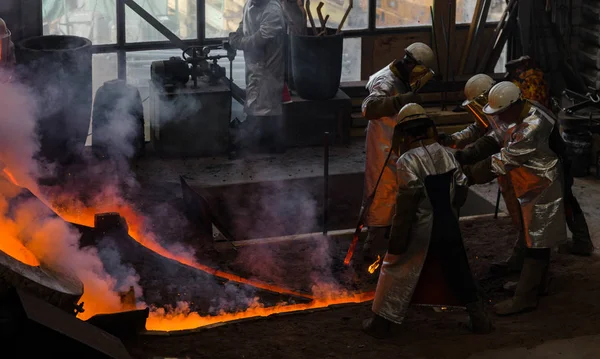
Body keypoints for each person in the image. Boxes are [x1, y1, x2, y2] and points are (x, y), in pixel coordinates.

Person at [362, 103, 492, 339]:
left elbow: (407, 203)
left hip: (422, 227)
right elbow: (461, 185)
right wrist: (450, 210)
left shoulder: (407, 161)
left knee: (395, 268)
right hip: (449, 224)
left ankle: (381, 323)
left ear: (404, 132)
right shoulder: (446, 152)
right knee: (458, 269)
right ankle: (479, 319)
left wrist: (398, 237)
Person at [462, 81, 567, 315]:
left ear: (511, 106)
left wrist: (468, 175)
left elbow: (504, 159)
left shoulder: (532, 125)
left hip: (543, 184)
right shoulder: (519, 111)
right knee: (534, 234)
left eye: (500, 113)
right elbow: (497, 135)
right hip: (529, 180)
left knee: (538, 241)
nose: (497, 117)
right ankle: (537, 285)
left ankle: (525, 298)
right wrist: (465, 154)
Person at [360, 42, 435, 262]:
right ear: (414, 66)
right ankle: (374, 251)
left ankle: (387, 244)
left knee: (395, 197)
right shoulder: (386, 80)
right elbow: (369, 108)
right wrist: (403, 101)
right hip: (382, 148)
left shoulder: (400, 77)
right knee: (383, 195)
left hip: (395, 145)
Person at [229, 0, 286, 156]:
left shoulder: (272, 11)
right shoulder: (249, 5)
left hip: (268, 68)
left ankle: (268, 146)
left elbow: (258, 40)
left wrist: (238, 42)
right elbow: (244, 26)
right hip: (254, 66)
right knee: (255, 103)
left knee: (265, 107)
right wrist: (236, 35)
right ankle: (263, 144)